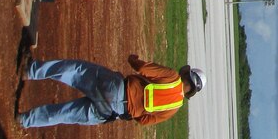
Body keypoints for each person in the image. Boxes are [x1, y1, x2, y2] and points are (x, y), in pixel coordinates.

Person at [18, 55, 205, 128]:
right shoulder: (173, 109)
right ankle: (24, 120)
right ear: (191, 92)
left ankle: (31, 70)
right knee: (65, 114)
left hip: (116, 87)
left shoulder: (172, 77)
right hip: (114, 112)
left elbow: (143, 68)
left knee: (75, 71)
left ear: (185, 74)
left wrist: (133, 59)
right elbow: (144, 120)